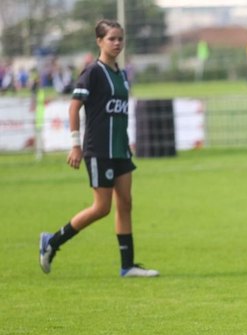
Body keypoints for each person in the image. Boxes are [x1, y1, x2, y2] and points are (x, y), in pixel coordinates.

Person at [39, 19, 158, 278]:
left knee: (125, 203)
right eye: (111, 38)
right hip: (99, 150)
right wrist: (75, 144)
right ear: (99, 41)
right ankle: (52, 241)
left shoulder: (121, 74)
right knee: (102, 207)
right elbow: (74, 107)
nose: (117, 43)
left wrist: (125, 141)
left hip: (120, 149)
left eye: (120, 38)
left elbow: (117, 113)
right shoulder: (93, 72)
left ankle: (127, 266)